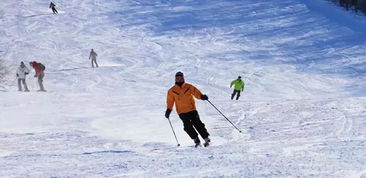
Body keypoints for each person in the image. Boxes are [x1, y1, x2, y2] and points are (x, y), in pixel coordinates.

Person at [165, 72, 211, 147]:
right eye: (177, 78)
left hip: (191, 109)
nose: (179, 79)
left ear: (183, 78)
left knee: (197, 123)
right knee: (187, 126)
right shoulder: (172, 90)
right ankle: (196, 140)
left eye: (181, 78)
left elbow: (196, 93)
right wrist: (168, 110)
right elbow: (170, 101)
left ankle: (206, 138)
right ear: (175, 79)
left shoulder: (188, 87)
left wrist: (202, 97)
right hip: (181, 112)